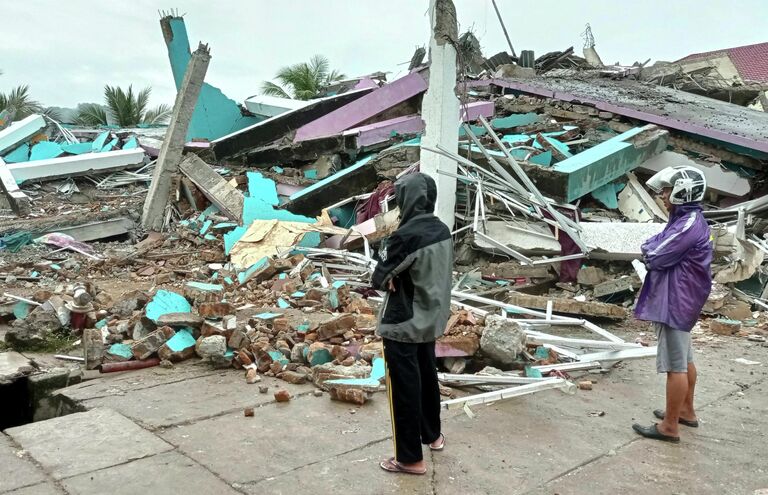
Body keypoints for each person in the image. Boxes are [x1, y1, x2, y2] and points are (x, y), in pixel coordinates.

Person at [370, 173, 453, 475]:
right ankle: (433, 435)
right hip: (431, 317)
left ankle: (408, 458)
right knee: (427, 377)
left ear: (406, 199)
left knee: (404, 389)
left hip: (404, 322)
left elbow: (378, 277)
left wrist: (392, 275)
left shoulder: (406, 236)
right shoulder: (441, 229)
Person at [632, 166, 712, 443]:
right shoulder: (685, 219)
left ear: (682, 191)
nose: (663, 196)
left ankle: (669, 426)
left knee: (674, 365)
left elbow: (655, 253)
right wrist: (651, 248)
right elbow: (657, 244)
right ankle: (685, 411)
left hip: (676, 300)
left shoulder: (687, 224)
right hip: (684, 297)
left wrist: (649, 251)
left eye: (666, 191)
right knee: (686, 358)